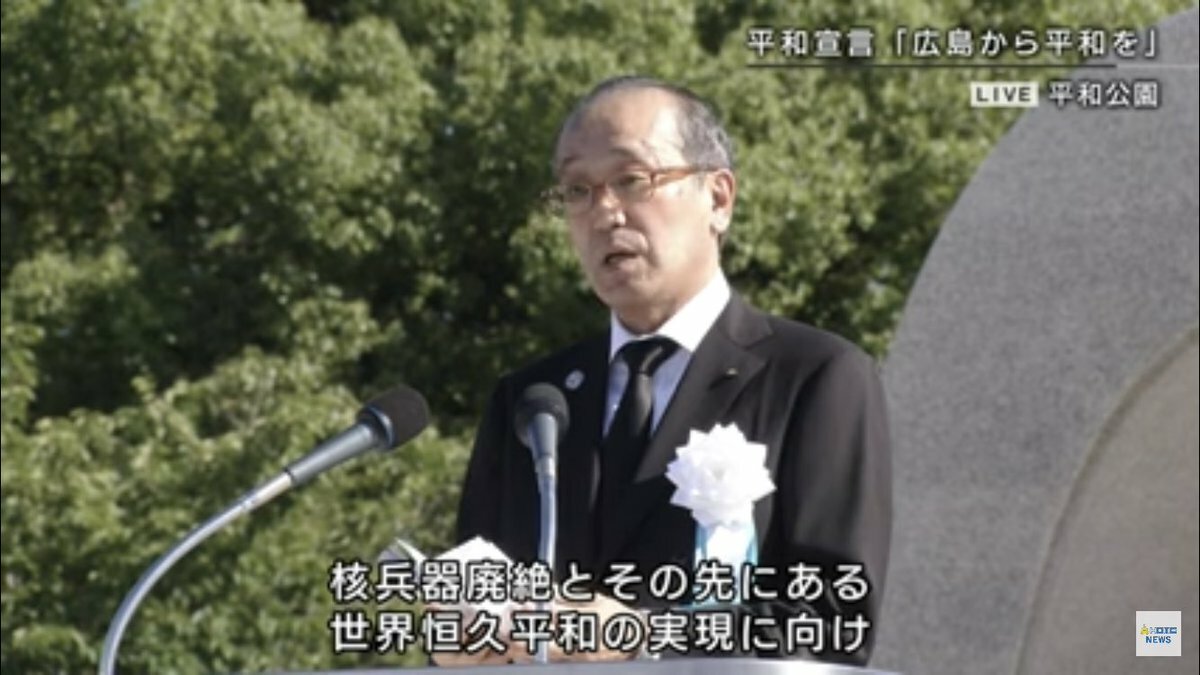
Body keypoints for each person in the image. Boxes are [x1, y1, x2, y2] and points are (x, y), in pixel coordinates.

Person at [448, 75, 891, 665]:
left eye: (632, 180)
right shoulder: (533, 402)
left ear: (719, 199)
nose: (603, 212)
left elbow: (834, 623)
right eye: (577, 190)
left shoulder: (815, 377)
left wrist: (641, 635)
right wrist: (456, 644)